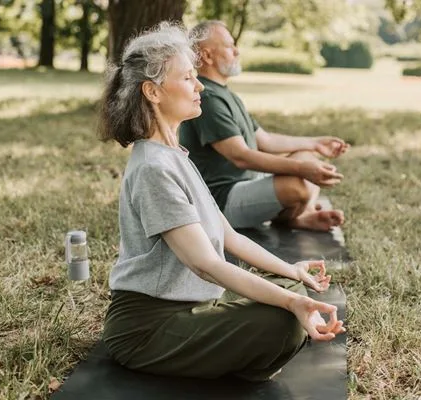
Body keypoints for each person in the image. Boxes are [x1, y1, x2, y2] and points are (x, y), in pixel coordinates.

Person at [98, 22, 345, 382]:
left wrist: (292, 272)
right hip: (147, 328)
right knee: (283, 318)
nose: (199, 86)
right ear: (152, 91)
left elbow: (230, 236)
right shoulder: (153, 168)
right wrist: (291, 303)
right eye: (187, 78)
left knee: (292, 288)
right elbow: (207, 265)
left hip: (195, 306)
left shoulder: (175, 155)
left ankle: (240, 344)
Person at [179, 20, 350, 231]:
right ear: (206, 56)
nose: (237, 51)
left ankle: (298, 217)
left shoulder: (226, 94)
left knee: (308, 157)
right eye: (229, 46)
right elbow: (240, 156)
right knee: (299, 185)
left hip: (247, 184)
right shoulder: (208, 98)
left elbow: (266, 140)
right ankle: (296, 216)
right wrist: (302, 169)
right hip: (220, 201)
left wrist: (315, 144)